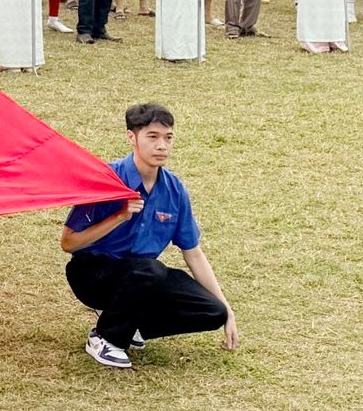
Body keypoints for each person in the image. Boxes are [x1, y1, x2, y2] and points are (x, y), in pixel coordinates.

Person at [61, 103, 238, 370]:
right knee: (150, 270)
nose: (162, 146)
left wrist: (227, 309)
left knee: (211, 311)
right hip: (93, 274)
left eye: (168, 138)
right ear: (132, 137)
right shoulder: (108, 180)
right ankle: (105, 338)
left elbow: (193, 253)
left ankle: (128, 321)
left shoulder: (174, 189)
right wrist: (118, 217)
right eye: (152, 137)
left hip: (142, 275)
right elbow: (68, 242)